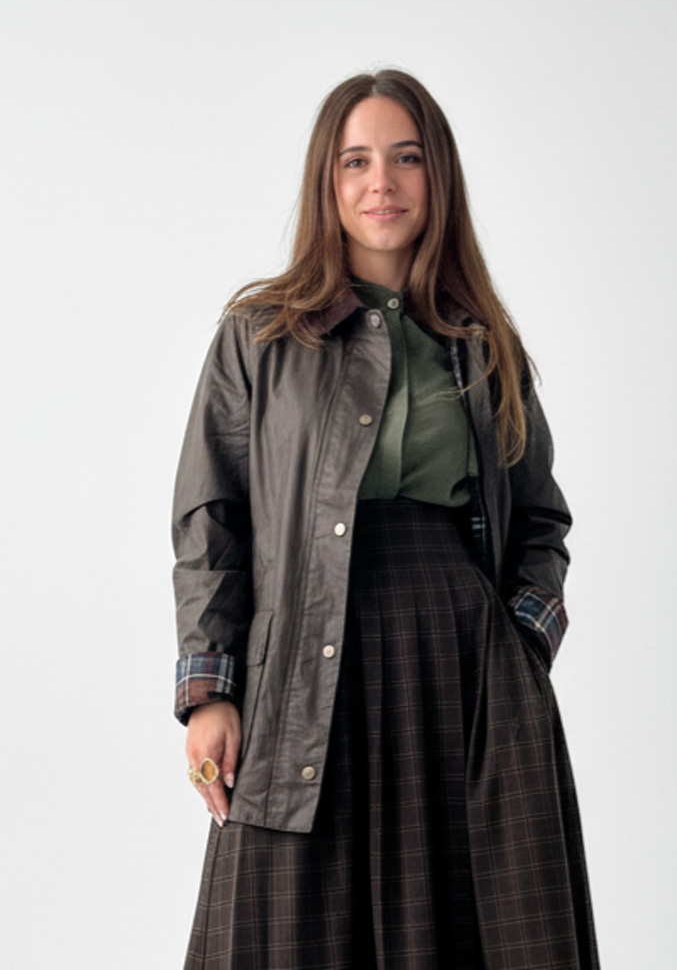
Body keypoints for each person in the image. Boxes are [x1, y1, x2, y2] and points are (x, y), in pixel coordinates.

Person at [172, 69, 600, 970]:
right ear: (326, 182)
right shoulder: (260, 336)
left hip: (463, 671)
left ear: (437, 176)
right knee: (286, 927)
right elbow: (212, 519)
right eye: (356, 161)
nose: (382, 183)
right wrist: (210, 691)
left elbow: (541, 520)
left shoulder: (483, 344)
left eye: (406, 159)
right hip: (301, 669)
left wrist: (521, 647)